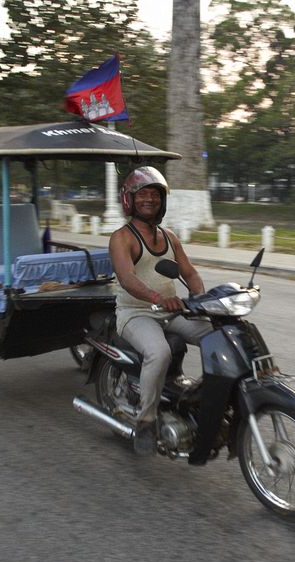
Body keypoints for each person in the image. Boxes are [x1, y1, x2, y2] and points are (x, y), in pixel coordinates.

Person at [108, 166, 213, 456]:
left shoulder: (169, 236)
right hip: (135, 314)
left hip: (171, 311)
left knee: (218, 334)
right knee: (159, 352)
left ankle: (210, 396)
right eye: (142, 194)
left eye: (154, 194)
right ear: (129, 200)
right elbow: (128, 279)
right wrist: (156, 296)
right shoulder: (122, 237)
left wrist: (201, 300)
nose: (149, 199)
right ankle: (146, 421)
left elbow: (189, 273)